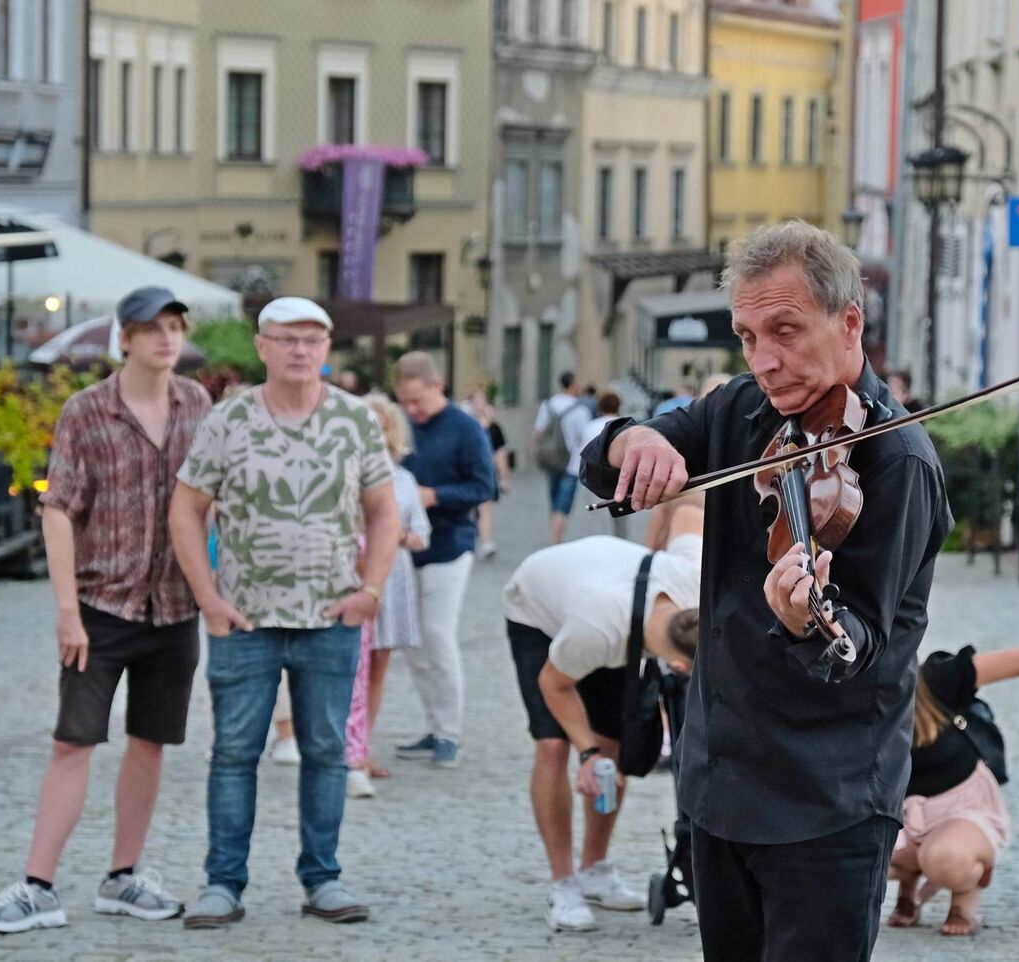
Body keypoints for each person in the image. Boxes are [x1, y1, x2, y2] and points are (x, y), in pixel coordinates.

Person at [579, 220, 953, 962]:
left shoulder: (897, 461)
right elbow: (603, 461)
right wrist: (636, 438)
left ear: (850, 322)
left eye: (785, 330)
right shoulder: (741, 409)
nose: (766, 360)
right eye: (748, 336)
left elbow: (860, 644)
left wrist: (803, 619)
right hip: (720, 782)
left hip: (825, 801)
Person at [0, 287, 211, 935]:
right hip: (101, 605)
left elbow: (214, 501)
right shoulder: (87, 410)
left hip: (173, 608)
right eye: (153, 328)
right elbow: (59, 511)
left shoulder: (198, 404)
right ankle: (36, 884)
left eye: (175, 326)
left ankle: (123, 877)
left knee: (150, 744)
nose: (168, 338)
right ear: (125, 338)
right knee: (72, 742)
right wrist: (66, 610)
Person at [169, 296, 400, 929]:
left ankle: (322, 877)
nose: (300, 351)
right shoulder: (228, 419)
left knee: (327, 752)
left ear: (327, 350)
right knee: (234, 751)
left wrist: (371, 590)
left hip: (332, 616)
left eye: (312, 340)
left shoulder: (355, 420)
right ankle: (223, 883)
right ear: (262, 347)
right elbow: (186, 510)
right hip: (244, 618)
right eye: (287, 339)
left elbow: (384, 512)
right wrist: (207, 597)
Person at [503, 503, 704, 932]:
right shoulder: (595, 632)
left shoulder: (693, 582)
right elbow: (554, 684)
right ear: (682, 666)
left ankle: (595, 866)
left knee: (615, 745)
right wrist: (587, 752)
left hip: (613, 597)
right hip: (538, 609)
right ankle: (563, 883)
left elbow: (690, 510)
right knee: (555, 746)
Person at [887, 646, 1019, 936]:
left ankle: (964, 898)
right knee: (847, 857)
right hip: (902, 813)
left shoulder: (936, 678)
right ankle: (910, 885)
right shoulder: (849, 693)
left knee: (945, 860)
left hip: (960, 807)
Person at [391, 352, 497, 769]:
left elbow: (483, 486)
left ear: (438, 387)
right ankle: (434, 726)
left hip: (450, 544)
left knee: (437, 634)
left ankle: (450, 732)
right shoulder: (404, 425)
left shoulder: (466, 428)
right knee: (413, 643)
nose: (412, 410)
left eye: (418, 401)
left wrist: (433, 496)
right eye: (405, 402)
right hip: (404, 547)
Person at [345, 394, 431, 798]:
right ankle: (346, 750)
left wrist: (394, 536)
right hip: (354, 576)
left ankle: (362, 747)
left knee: (379, 665)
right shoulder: (342, 472)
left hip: (394, 576)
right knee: (349, 664)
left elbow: (420, 536)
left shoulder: (403, 480)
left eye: (381, 427)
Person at [533, 371, 592, 545]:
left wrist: (538, 450)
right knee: (563, 506)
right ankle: (556, 542)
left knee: (554, 501)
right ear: (573, 384)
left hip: (552, 460)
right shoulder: (580, 409)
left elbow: (538, 432)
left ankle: (554, 538)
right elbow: (586, 437)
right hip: (572, 463)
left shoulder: (548, 405)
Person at [462, 386, 509, 561]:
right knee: (469, 509)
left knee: (486, 508)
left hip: (486, 472)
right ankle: (471, 538)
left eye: (483, 400)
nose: (480, 404)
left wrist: (504, 476)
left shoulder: (493, 427)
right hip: (466, 472)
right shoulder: (465, 424)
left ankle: (486, 542)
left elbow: (500, 452)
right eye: (477, 400)